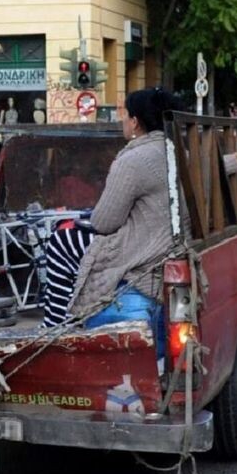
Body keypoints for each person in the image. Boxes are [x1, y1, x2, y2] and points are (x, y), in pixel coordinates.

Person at [41, 87, 183, 328]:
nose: (123, 121)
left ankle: (57, 324)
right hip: (169, 241)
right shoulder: (177, 151)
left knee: (60, 241)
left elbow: (104, 223)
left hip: (145, 247)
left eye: (125, 115)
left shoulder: (133, 160)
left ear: (135, 122)